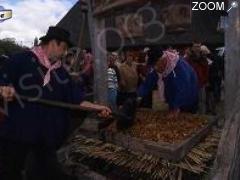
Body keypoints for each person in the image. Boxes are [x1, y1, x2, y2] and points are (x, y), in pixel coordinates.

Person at [0, 26, 111, 180]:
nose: (65, 53)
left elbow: (76, 99)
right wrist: (4, 88)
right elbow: (2, 80)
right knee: (10, 173)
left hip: (45, 139)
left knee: (46, 173)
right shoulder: (20, 60)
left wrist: (96, 107)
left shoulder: (61, 74)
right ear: (52, 43)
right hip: (17, 134)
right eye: (64, 47)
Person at [138, 48, 199, 118]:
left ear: (163, 60)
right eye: (153, 65)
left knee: (185, 120)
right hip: (173, 100)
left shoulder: (180, 67)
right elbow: (148, 83)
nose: (155, 68)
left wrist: (176, 107)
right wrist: (138, 95)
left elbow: (183, 89)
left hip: (188, 101)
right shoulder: (157, 67)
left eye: (156, 65)